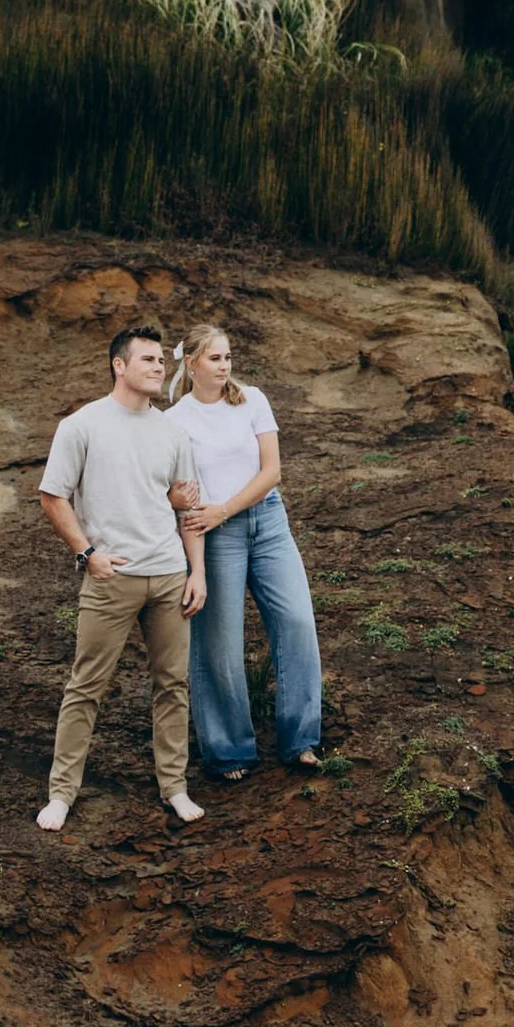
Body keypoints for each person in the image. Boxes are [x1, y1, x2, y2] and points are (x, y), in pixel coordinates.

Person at [35, 323, 208, 833]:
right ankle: (61, 794)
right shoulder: (82, 426)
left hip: (170, 575)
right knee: (86, 686)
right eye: (150, 360)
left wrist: (196, 570)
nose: (160, 368)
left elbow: (186, 509)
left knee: (172, 685)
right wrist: (87, 554)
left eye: (162, 361)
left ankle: (174, 788)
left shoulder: (174, 432)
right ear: (120, 365)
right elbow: (52, 495)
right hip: (112, 577)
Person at [170, 322, 322, 780]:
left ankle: (301, 740)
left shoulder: (252, 400)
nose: (225, 366)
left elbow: (272, 470)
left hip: (268, 521)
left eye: (228, 358)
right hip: (217, 536)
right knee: (219, 643)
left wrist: (226, 509)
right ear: (192, 362)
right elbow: (184, 497)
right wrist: (196, 558)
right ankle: (229, 750)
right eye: (215, 358)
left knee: (296, 620)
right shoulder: (175, 421)